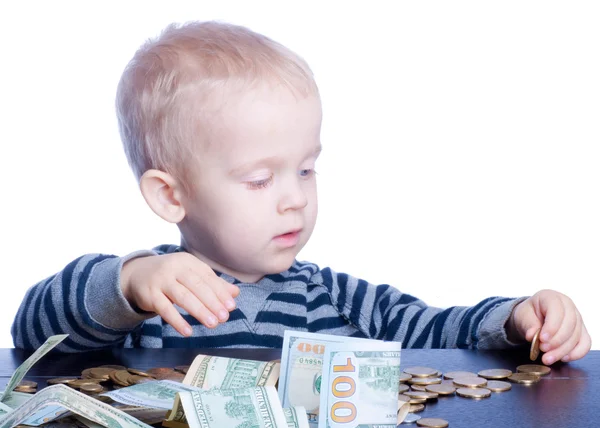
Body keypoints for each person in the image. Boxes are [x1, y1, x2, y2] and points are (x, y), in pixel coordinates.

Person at [12, 21, 591, 365]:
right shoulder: (149, 301)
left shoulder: (335, 299)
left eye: (307, 170)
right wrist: (129, 281)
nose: (294, 199)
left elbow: (434, 332)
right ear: (170, 196)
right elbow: (33, 332)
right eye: (260, 179)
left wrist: (517, 318)